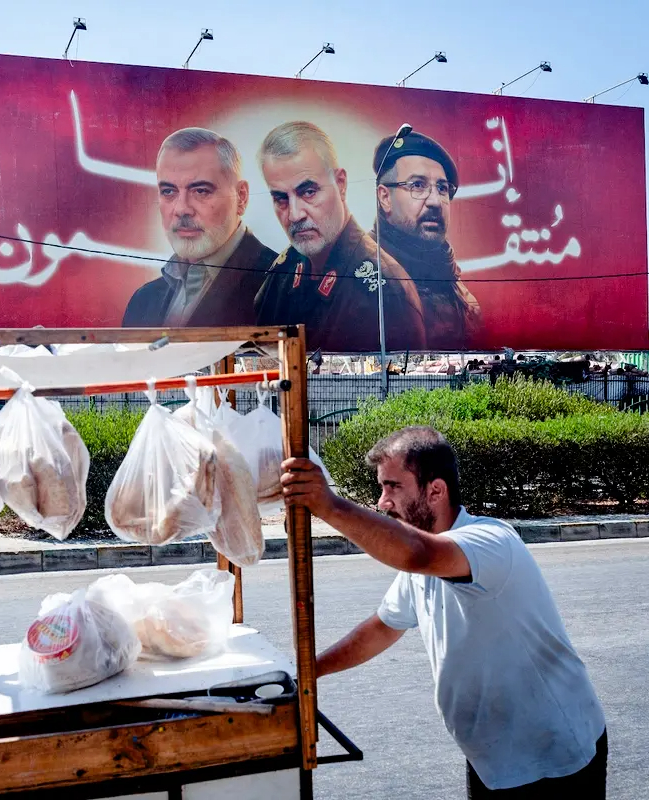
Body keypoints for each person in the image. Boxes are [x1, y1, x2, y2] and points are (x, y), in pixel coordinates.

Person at [280, 427, 607, 797]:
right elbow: (382, 628)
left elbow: (417, 553)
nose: (382, 501)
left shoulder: (490, 542)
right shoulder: (422, 564)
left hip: (552, 755)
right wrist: (310, 671)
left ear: (435, 490)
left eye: (393, 487)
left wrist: (330, 505)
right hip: (492, 757)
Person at [253, 121, 425, 353]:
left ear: (341, 184)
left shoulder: (386, 292)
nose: (294, 215)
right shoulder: (282, 272)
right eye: (281, 198)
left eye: (309, 192)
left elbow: (401, 381)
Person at [122, 128, 275, 327]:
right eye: (169, 191)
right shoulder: (143, 301)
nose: (182, 209)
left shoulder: (280, 290)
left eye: (201, 191)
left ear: (241, 197)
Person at [372, 132, 481, 349]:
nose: (435, 202)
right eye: (417, 185)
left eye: (442, 188)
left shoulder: (462, 296)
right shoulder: (363, 275)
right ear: (385, 197)